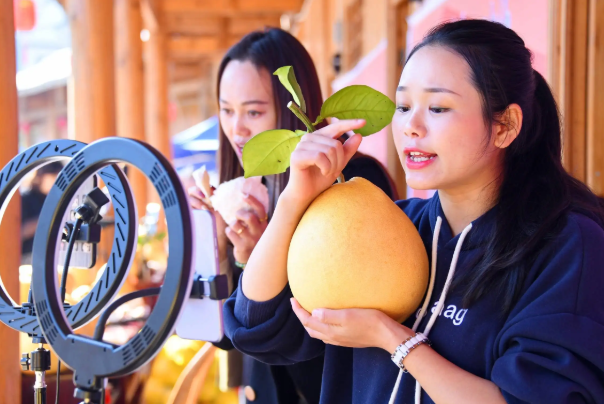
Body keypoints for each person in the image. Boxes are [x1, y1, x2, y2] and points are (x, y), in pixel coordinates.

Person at [222, 19, 604, 404]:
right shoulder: (390, 226)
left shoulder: (568, 246)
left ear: (505, 125)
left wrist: (391, 338)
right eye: (403, 106)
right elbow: (258, 327)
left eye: (437, 107)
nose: (410, 127)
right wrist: (293, 200)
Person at [188, 28, 396, 404]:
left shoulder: (352, 181)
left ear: (290, 106)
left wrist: (259, 257)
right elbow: (226, 336)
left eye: (253, 111)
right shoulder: (248, 189)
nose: (236, 128)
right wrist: (211, 247)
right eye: (226, 109)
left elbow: (313, 341)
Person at [21, 161, 63, 263]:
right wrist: (47, 217)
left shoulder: (56, 199)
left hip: (53, 256)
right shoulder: (25, 199)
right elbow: (20, 232)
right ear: (41, 176)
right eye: (54, 177)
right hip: (27, 257)